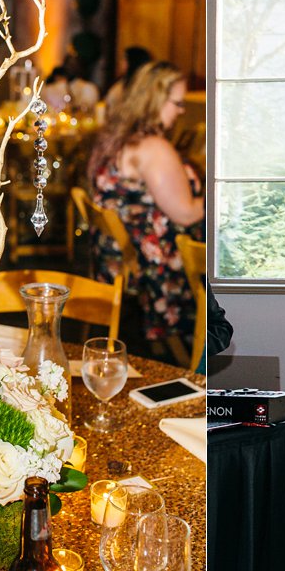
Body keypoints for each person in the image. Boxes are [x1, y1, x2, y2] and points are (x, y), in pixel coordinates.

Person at [88, 61, 203, 353]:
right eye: (177, 103)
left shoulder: (119, 138)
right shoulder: (153, 147)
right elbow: (186, 213)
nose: (181, 110)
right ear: (155, 101)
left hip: (117, 260)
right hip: (155, 270)